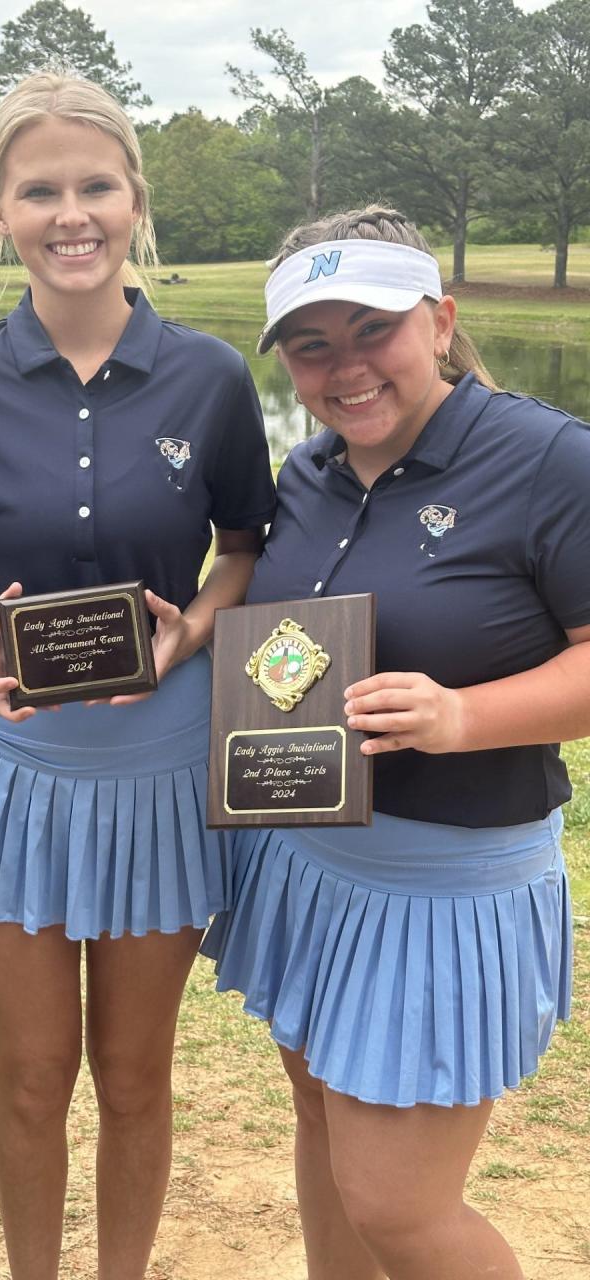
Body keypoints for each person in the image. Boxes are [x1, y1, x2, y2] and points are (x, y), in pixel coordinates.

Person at [0, 71, 275, 1280]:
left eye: (95, 185)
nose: (73, 213)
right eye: (41, 189)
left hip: (160, 769)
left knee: (135, 1073)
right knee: (29, 1073)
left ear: (134, 200)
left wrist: (189, 635)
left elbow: (247, 549)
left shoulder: (209, 376)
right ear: (0, 211)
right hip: (9, 766)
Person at [202, 205, 589, 1279]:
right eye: (312, 344)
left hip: (446, 886)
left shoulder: (547, 457)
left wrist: (462, 715)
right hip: (310, 865)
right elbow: (285, 648)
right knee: (324, 1133)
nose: (344, 366)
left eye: (371, 329)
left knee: (400, 1204)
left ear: (440, 318)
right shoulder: (311, 473)